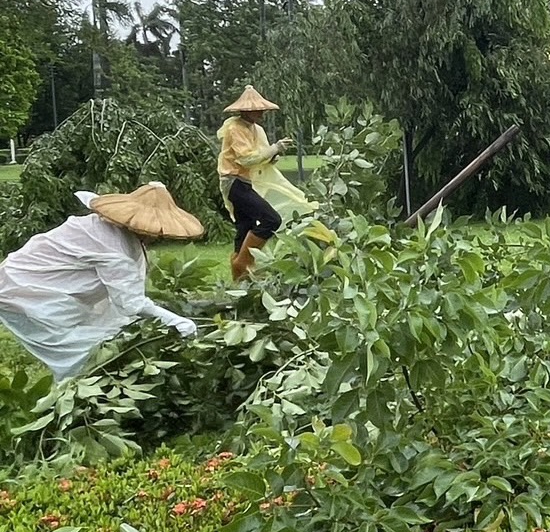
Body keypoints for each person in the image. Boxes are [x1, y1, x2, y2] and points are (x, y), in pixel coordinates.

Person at [0, 183, 204, 380]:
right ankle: (72, 400)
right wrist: (175, 320)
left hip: (35, 282)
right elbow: (131, 303)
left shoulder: (105, 227)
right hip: (26, 292)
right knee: (82, 355)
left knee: (102, 339)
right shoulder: (112, 250)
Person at [216, 85, 318, 281]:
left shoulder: (256, 129)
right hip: (233, 182)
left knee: (245, 225)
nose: (262, 112)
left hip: (245, 181)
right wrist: (274, 148)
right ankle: (244, 263)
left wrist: (274, 153)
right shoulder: (235, 128)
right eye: (258, 109)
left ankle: (240, 278)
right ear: (247, 110)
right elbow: (246, 159)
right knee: (271, 219)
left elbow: (260, 157)